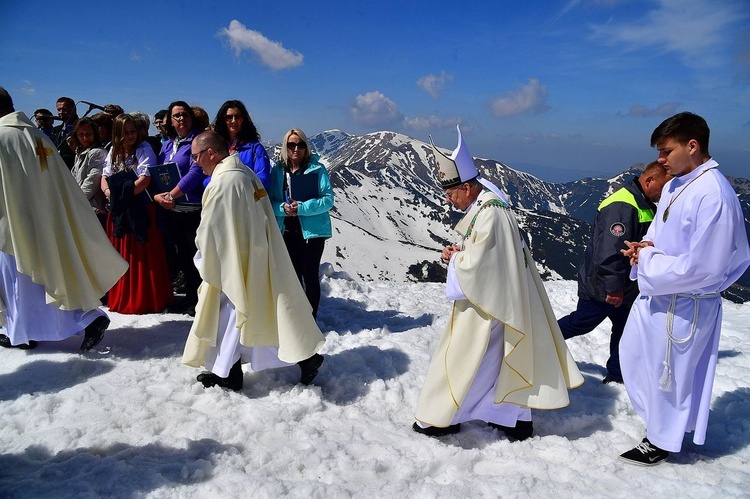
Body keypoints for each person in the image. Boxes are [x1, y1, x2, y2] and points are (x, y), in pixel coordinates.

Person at [413, 126, 583, 440]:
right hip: (499, 300)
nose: (450, 201)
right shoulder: (488, 204)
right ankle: (512, 418)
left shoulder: (490, 212)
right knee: (495, 361)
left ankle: (445, 416)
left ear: (466, 187)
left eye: (451, 194)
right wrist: (462, 252)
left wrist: (456, 260)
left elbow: (481, 266)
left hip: (489, 305)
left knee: (467, 358)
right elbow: (488, 257)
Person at [618, 112, 750, 466]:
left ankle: (661, 440)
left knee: (669, 376)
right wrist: (644, 248)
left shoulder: (714, 194)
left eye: (666, 151)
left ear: (692, 146)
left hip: (685, 304)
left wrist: (649, 263)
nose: (660, 160)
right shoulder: (678, 182)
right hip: (661, 293)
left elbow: (706, 267)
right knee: (635, 358)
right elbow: (660, 231)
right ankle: (665, 425)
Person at [182, 131, 325, 391]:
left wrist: (204, 259)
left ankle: (232, 373)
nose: (195, 163)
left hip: (233, 263)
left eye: (196, 157)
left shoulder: (224, 183)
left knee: (229, 318)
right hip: (251, 255)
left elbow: (211, 230)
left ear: (210, 153)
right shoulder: (244, 173)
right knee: (254, 316)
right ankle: (301, 359)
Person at [0, 87, 127, 351]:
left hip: (13, 223)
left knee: (21, 280)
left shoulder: (2, 137)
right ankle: (84, 319)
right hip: (47, 221)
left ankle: (24, 334)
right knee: (48, 276)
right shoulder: (37, 136)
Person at [558, 161, 669, 384]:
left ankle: (618, 375)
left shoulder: (643, 202)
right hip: (603, 287)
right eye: (663, 187)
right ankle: (539, 342)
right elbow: (610, 251)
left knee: (625, 330)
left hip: (627, 286)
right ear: (649, 181)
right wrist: (614, 287)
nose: (663, 194)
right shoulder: (622, 205)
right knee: (582, 322)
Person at [101, 114, 173, 314]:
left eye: (133, 131)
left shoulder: (144, 149)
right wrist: (109, 193)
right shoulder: (113, 151)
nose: (130, 135)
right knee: (122, 254)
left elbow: (145, 179)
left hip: (140, 208)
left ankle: (144, 299)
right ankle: (121, 296)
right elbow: (104, 176)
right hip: (119, 208)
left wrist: (119, 196)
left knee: (141, 256)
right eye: (125, 132)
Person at [268, 129, 334, 320]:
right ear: (285, 147)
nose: (296, 149)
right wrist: (283, 208)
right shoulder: (278, 171)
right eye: (291, 145)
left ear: (306, 147)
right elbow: (270, 201)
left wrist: (302, 208)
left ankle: (311, 319)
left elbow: (328, 200)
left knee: (310, 275)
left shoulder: (317, 169)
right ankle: (297, 320)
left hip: (312, 233)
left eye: (300, 144)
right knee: (293, 276)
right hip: (288, 230)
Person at [153, 101, 207, 315]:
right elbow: (158, 171)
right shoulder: (168, 144)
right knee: (182, 257)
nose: (181, 119)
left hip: (192, 208)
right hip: (172, 210)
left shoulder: (197, 141)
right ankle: (189, 298)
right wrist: (158, 195)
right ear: (170, 121)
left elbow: (196, 171)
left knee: (196, 257)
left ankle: (200, 301)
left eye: (184, 114)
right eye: (176, 116)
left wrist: (171, 194)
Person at [212, 99, 271, 187]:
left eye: (237, 117)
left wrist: (235, 185)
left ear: (243, 119)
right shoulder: (216, 146)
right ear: (223, 120)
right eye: (229, 117)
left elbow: (262, 180)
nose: (233, 121)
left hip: (245, 198)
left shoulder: (255, 149)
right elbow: (206, 176)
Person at [67, 117, 108, 225]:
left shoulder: (97, 153)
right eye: (81, 135)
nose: (85, 138)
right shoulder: (80, 153)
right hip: (81, 206)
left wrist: (75, 201)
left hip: (92, 209)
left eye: (88, 134)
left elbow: (92, 181)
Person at [51, 96, 79, 169]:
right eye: (59, 110)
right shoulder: (55, 130)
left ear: (74, 109)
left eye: (64, 109)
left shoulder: (82, 128)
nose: (61, 112)